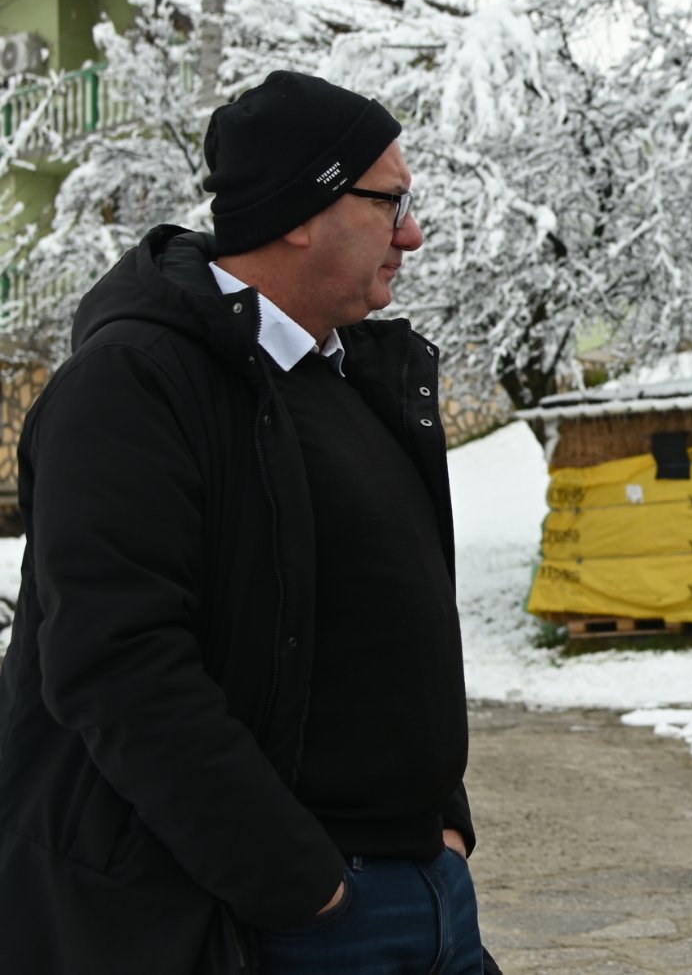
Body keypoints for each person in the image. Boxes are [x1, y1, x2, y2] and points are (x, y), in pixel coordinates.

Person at [0, 70, 494, 974]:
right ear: (301, 210)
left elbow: (392, 628)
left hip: (430, 897)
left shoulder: (352, 376)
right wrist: (301, 885)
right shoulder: (134, 385)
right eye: (390, 202)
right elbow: (117, 664)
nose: (413, 233)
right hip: (286, 922)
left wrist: (443, 823)